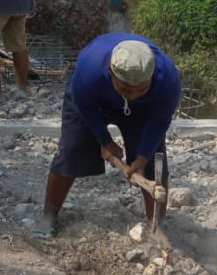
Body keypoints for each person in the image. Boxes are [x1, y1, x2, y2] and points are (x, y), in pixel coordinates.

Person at [35, 35, 182, 239]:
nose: (132, 95)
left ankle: (156, 226)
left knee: (153, 160)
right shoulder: (90, 70)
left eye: (141, 88)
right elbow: (84, 105)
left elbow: (158, 122)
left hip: (142, 109)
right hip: (94, 101)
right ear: (110, 73)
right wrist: (104, 141)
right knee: (72, 149)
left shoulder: (168, 79)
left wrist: (141, 158)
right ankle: (49, 215)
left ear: (151, 78)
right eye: (124, 88)